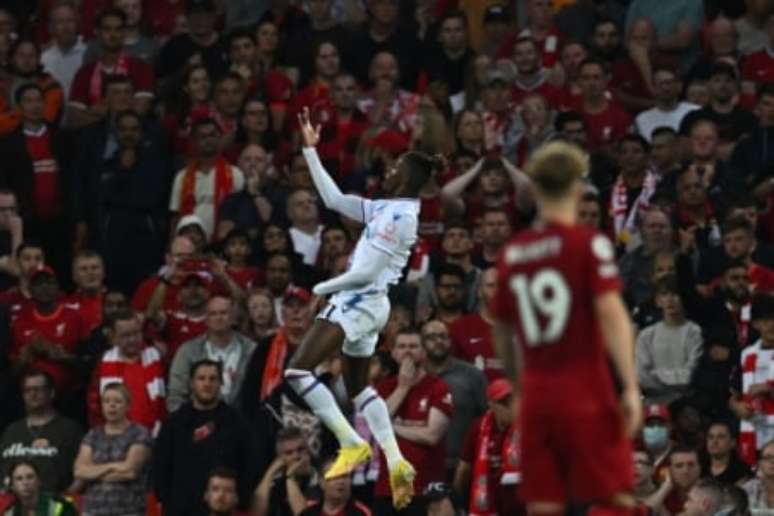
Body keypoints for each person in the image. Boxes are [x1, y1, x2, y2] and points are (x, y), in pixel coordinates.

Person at [284, 107, 444, 508]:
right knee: (358, 388)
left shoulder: (399, 218)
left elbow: (364, 272)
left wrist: (321, 285)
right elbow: (335, 199)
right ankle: (395, 458)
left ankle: (351, 442)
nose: (388, 172)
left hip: (357, 301)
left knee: (297, 370)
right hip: (372, 307)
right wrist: (310, 152)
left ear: (409, 177)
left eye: (395, 169)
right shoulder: (385, 208)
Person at [491, 141, 642, 514]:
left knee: (543, 502)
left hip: (538, 391)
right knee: (615, 494)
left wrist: (519, 387)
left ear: (536, 189)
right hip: (585, 387)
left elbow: (502, 330)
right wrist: (630, 385)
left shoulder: (513, 252)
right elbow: (612, 315)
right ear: (577, 188)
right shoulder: (587, 244)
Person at [153, 359, 259, 516]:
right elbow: (160, 467)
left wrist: (240, 500)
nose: (207, 384)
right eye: (201, 378)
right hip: (180, 510)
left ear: (221, 383)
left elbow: (250, 466)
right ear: (191, 383)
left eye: (212, 379)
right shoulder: (173, 424)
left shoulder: (237, 423)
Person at [73, 382, 153, 516]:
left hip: (128, 510)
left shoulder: (139, 433)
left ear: (128, 406)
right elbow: (80, 471)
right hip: (93, 510)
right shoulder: (93, 435)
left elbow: (129, 471)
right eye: (107, 401)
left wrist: (94, 473)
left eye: (118, 401)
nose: (112, 405)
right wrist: (112, 466)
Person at [167, 295, 257, 412]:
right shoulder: (188, 351)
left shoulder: (251, 349)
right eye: (213, 314)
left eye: (223, 313)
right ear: (206, 320)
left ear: (233, 318)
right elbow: (175, 395)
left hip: (243, 424)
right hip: (198, 423)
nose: (218, 318)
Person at [0, 369, 82, 493]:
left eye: (38, 389)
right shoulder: (11, 431)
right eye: (28, 390)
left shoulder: (70, 429)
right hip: (12, 505)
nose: (33, 394)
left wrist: (66, 499)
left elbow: (82, 473)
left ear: (51, 392)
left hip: (53, 505)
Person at [421, 319, 486, 474]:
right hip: (420, 465)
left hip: (462, 466)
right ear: (422, 342)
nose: (438, 341)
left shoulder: (472, 375)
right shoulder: (412, 376)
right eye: (431, 337)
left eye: (443, 337)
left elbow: (486, 419)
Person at [88, 307, 165, 433]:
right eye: (126, 335)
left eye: (136, 333)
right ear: (113, 337)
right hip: (116, 437)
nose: (133, 340)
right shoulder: (103, 363)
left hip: (156, 434)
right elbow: (95, 406)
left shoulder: (156, 357)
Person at [454, 379, 522, 516]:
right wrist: (456, 500)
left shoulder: (527, 428)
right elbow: (464, 469)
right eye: (503, 402)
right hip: (487, 500)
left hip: (519, 506)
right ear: (491, 405)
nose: (509, 407)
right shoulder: (479, 428)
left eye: (511, 401)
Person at [252, 426, 319, 516]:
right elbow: (256, 513)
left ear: (308, 451)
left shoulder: (320, 480)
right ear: (280, 458)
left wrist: (290, 476)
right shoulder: (276, 483)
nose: (296, 456)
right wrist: (270, 472)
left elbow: (304, 514)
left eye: (300, 449)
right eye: (289, 453)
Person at [4, 461, 78, 516]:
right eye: (19, 479)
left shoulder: (62, 505)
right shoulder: (9, 513)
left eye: (30, 477)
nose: (25, 482)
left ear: (39, 481)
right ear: (12, 486)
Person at [702, 421, 752, 485]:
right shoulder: (698, 467)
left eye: (721, 437)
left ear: (733, 443)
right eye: (710, 437)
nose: (714, 441)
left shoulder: (743, 472)